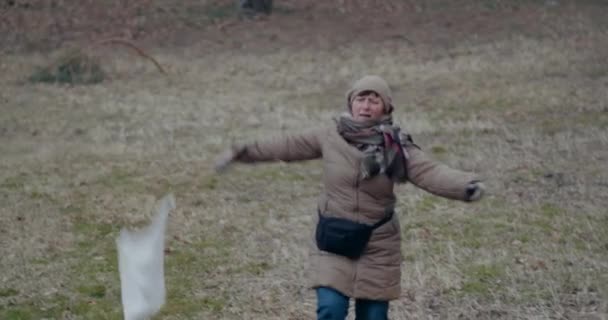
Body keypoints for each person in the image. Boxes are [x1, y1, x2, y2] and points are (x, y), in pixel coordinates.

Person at [214, 75, 485, 320]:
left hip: (378, 242)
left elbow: (429, 172)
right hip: (334, 236)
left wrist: (464, 186)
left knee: (374, 316)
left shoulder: (397, 146)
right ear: (351, 103)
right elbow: (287, 145)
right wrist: (243, 152)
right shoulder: (329, 136)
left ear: (386, 108)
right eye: (360, 99)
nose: (366, 106)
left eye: (373, 100)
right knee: (331, 309)